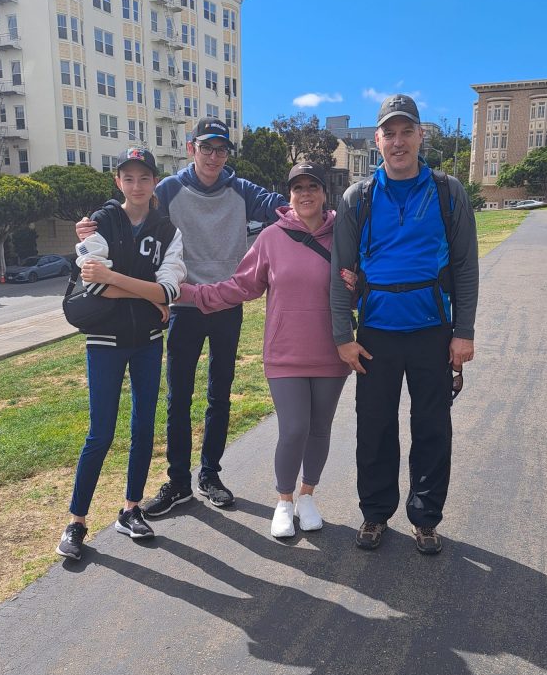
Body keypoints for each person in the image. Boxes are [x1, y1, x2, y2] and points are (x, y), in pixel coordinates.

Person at [76, 118, 286, 516]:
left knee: (219, 395)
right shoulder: (169, 188)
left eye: (221, 149)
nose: (213, 156)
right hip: (182, 307)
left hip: (226, 304)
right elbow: (128, 216)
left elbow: (285, 208)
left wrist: (322, 222)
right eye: (206, 148)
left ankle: (210, 474)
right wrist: (88, 228)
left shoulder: (242, 189)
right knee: (178, 398)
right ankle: (178, 481)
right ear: (191, 149)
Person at [330, 94, 479, 555]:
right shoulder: (359, 197)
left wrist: (464, 331)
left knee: (432, 427)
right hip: (375, 334)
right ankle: (375, 513)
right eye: (389, 133)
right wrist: (342, 336)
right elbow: (341, 270)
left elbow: (466, 267)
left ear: (420, 135)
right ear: (377, 141)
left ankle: (425, 517)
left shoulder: (448, 191)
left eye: (406, 131)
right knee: (373, 427)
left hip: (432, 330)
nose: (398, 142)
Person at [178, 162, 350, 538]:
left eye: (313, 186)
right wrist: (188, 293)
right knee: (294, 429)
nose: (305, 194)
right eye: (297, 187)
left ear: (325, 193)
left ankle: (307, 496)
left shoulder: (344, 235)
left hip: (333, 352)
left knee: (319, 429)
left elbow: (361, 284)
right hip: (284, 352)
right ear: (288, 195)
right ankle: (284, 500)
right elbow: (240, 287)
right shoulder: (272, 237)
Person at [57, 146, 186, 561]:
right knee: (101, 434)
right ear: (118, 181)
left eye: (144, 177)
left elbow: (170, 290)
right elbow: (91, 284)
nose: (136, 185)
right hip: (105, 343)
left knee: (143, 429)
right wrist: (144, 294)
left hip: (148, 341)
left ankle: (131, 510)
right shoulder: (100, 223)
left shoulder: (169, 231)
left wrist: (120, 281)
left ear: (155, 182)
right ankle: (76, 522)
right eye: (128, 177)